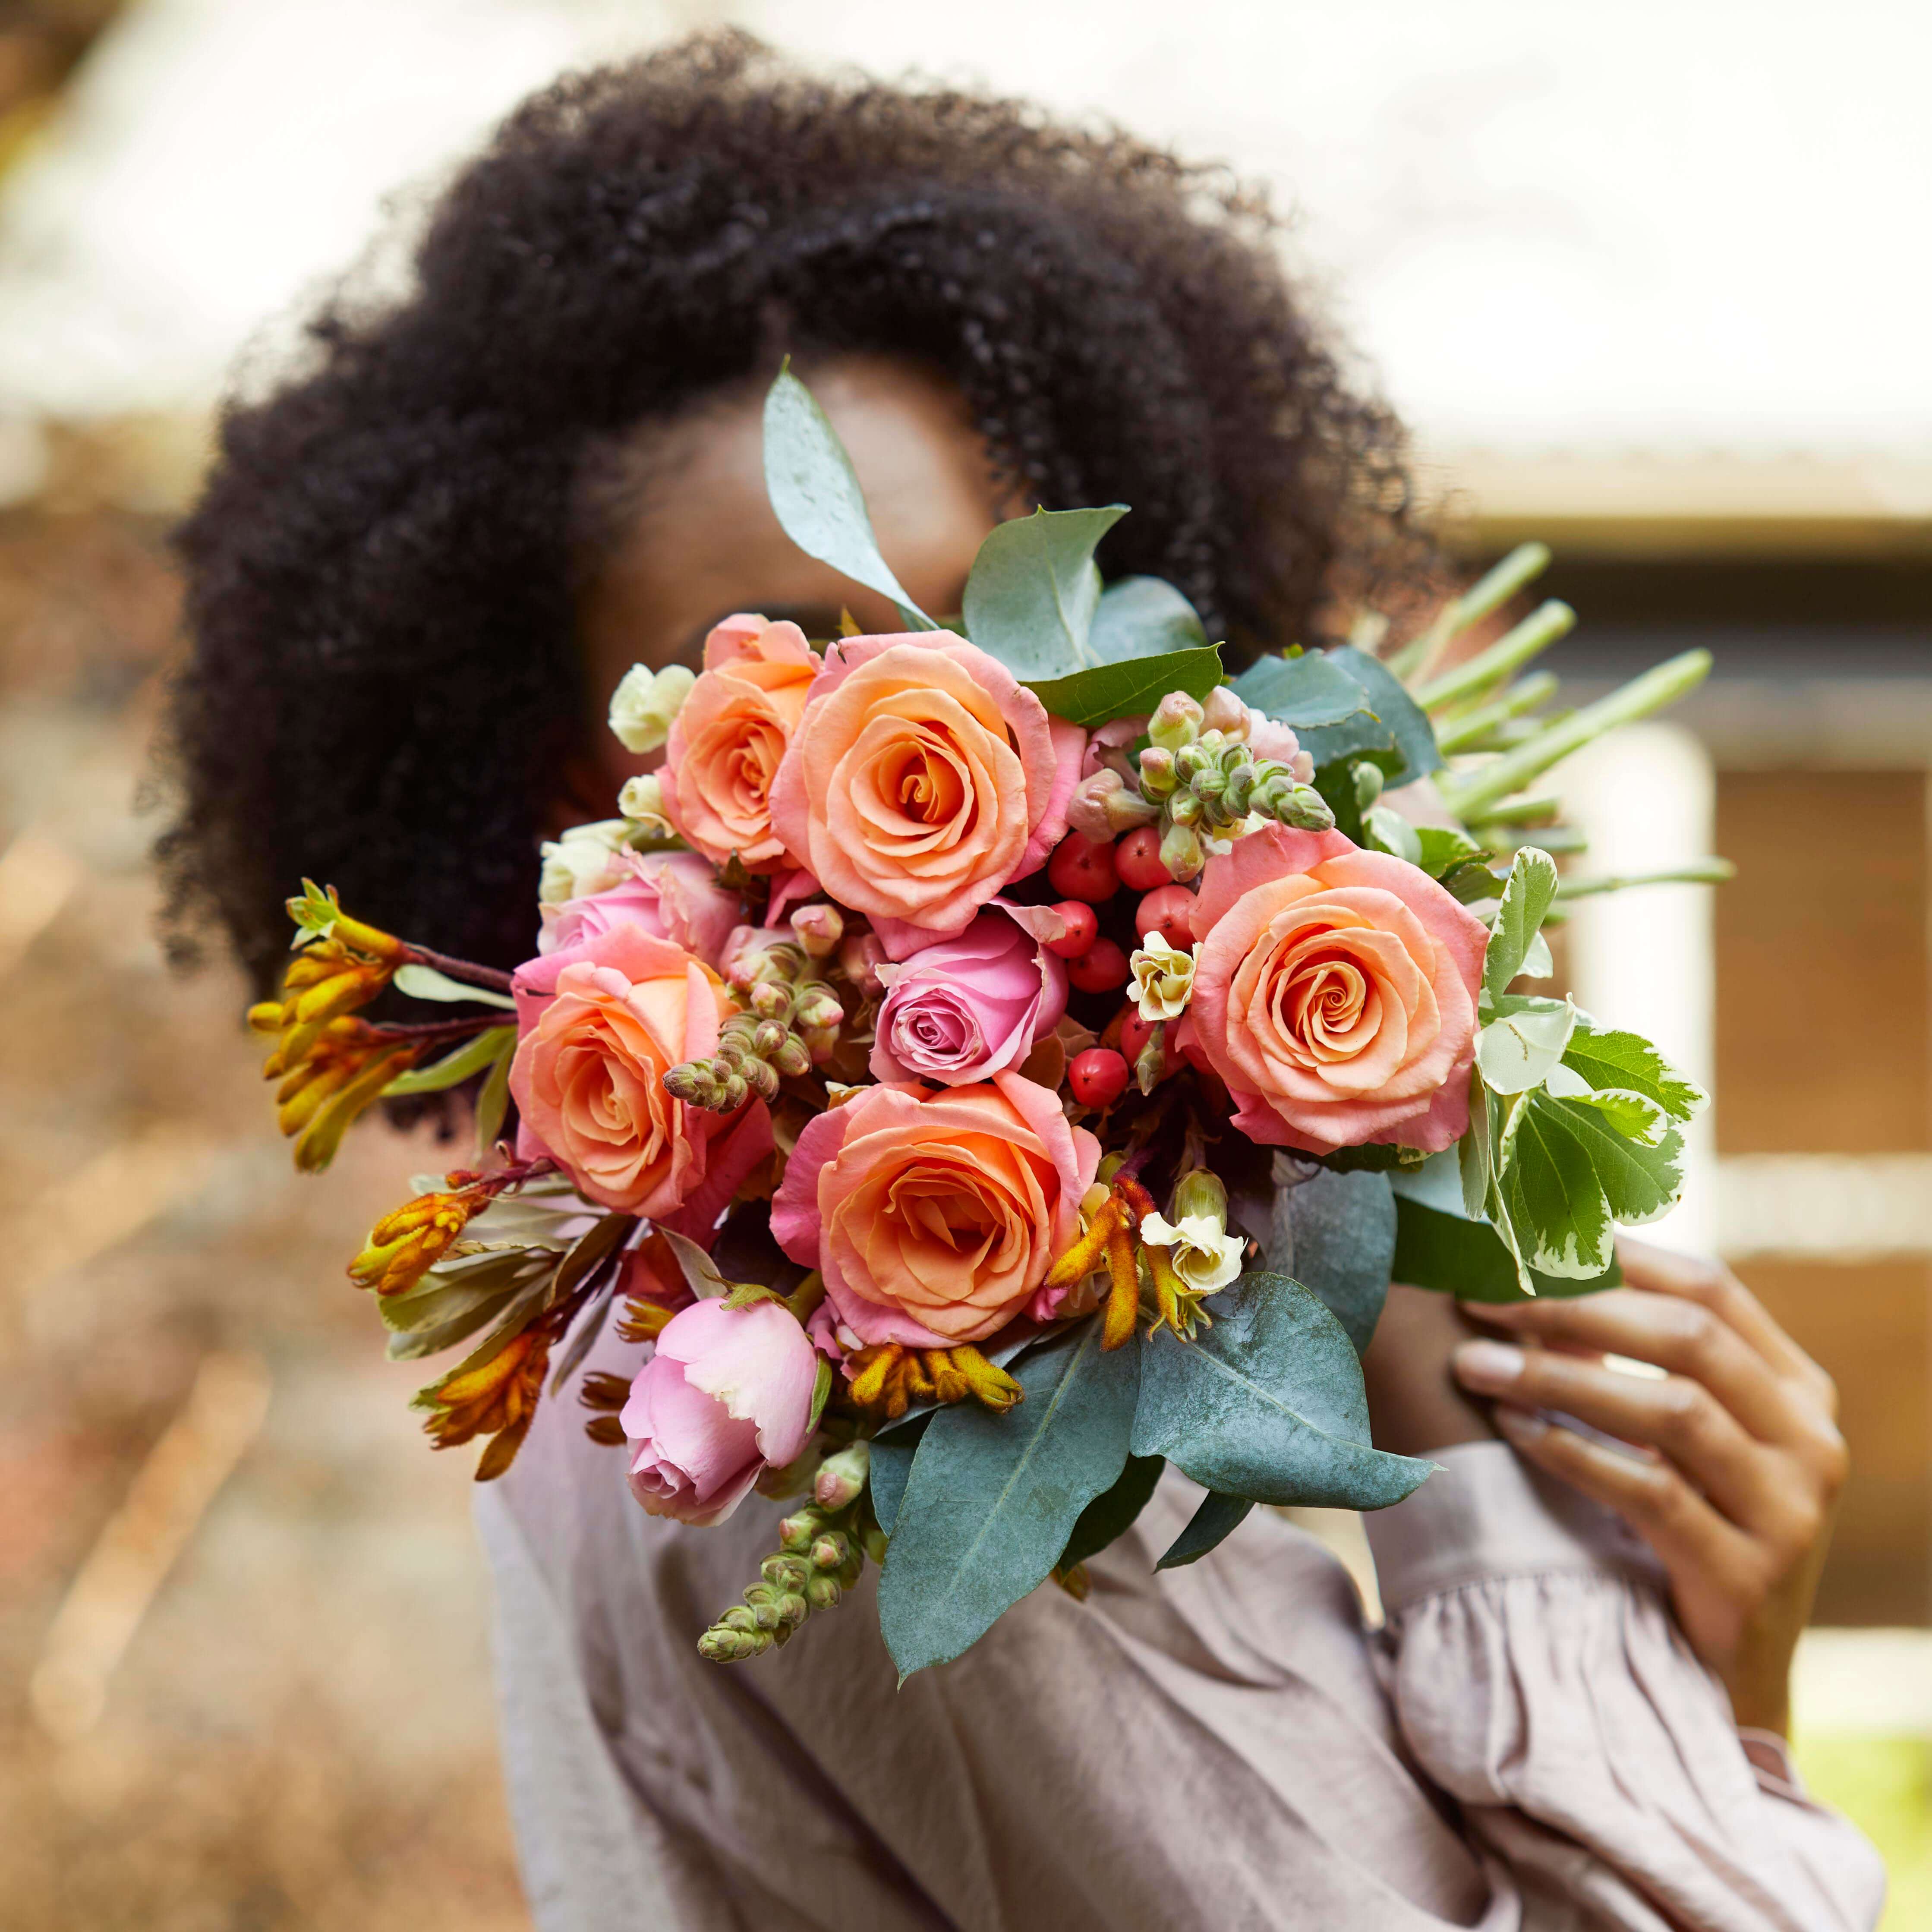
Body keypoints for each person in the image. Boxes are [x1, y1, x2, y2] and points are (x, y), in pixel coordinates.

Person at [160, 34, 1880, 1932]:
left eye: (1003, 630)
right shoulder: (839, 1411)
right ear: (573, 790)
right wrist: (1529, 1532)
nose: (938, 730)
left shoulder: (902, 1319)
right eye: (789, 665)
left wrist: (1718, 1681)